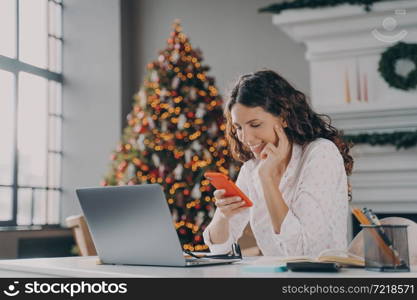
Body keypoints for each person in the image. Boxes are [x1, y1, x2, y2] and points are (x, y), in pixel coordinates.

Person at [202, 70, 353, 257]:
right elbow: (218, 249)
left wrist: (267, 180)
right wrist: (223, 215)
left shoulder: (320, 154)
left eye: (255, 125)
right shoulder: (252, 168)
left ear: (283, 117)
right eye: (238, 127)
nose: (246, 138)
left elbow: (306, 253)